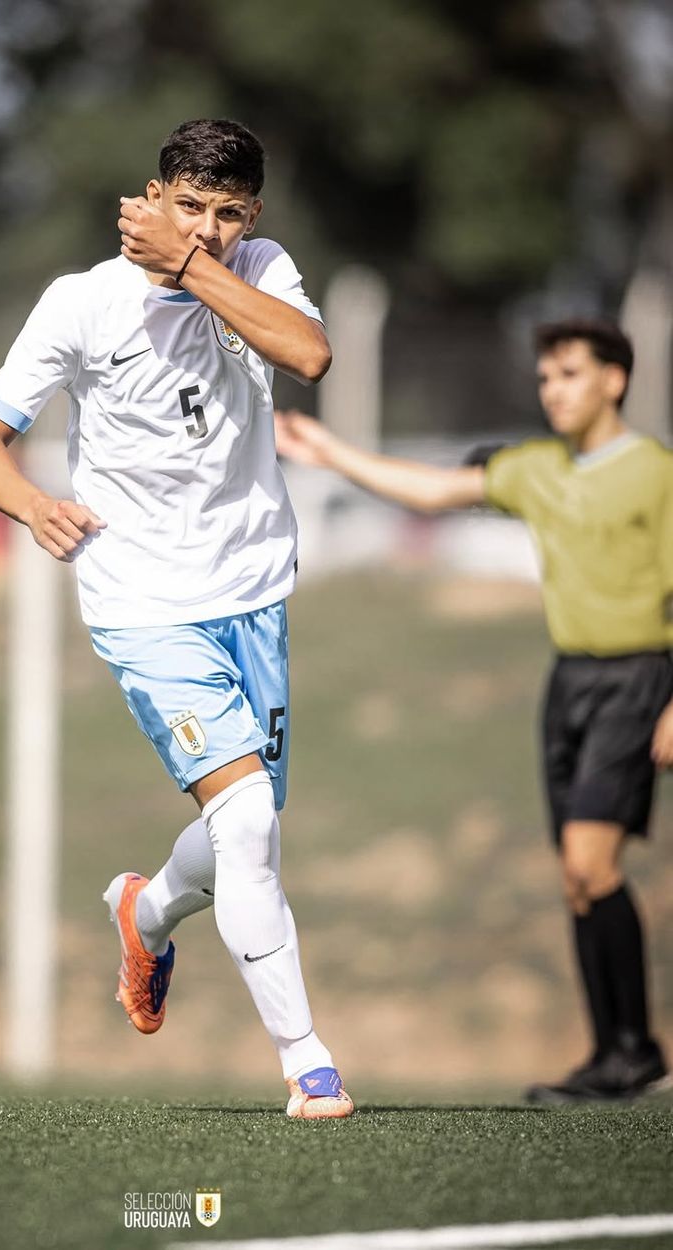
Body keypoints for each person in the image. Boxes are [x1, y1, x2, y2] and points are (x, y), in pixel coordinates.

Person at [0, 118, 353, 1119]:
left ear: (251, 217)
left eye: (228, 213)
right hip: (140, 601)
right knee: (249, 821)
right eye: (189, 207)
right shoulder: (81, 302)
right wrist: (36, 506)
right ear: (153, 194)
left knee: (244, 832)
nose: (208, 228)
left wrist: (198, 268)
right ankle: (308, 1062)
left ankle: (144, 908)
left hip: (253, 587)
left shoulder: (258, 268)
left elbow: (308, 352)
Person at [275, 317, 673, 1103]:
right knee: (577, 879)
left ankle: (635, 1050)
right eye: (546, 377)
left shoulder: (655, 473)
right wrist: (331, 454)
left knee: (594, 864)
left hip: (640, 680)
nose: (552, 389)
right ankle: (614, 1055)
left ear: (614, 380)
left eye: (569, 374)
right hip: (570, 684)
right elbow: (432, 489)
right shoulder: (535, 469)